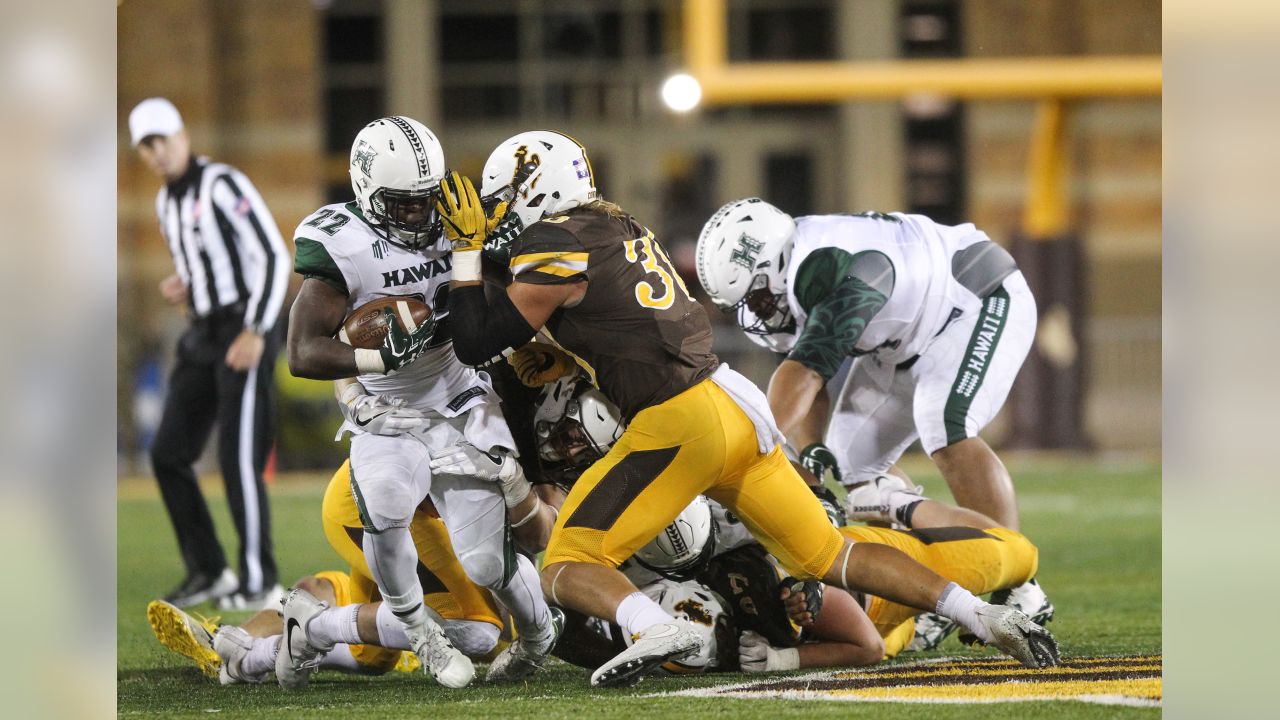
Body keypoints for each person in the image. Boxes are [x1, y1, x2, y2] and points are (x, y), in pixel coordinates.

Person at [433, 129, 1059, 688]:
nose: (501, 217)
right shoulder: (619, 227)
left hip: (679, 418)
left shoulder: (555, 244)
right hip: (736, 406)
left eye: (507, 200)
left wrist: (463, 254)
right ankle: (980, 611)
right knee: (828, 554)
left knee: (566, 564)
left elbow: (478, 338)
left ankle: (655, 626)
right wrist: (478, 256)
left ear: (538, 190)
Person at [695, 198, 1054, 648]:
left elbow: (805, 372)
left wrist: (746, 448)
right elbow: (811, 379)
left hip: (974, 297)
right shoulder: (793, 274)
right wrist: (809, 451)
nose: (757, 311)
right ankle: (940, 588)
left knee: (945, 423)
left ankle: (1017, 584)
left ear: (781, 263)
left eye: (760, 295)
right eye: (745, 302)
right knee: (853, 466)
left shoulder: (836, 268)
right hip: (900, 342)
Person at [284, 116, 557, 689]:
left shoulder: (458, 216)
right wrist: (377, 361)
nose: (418, 214)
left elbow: (527, 289)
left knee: (486, 560)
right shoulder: (341, 242)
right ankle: (420, 633)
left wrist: (486, 243)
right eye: (402, 204)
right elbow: (302, 352)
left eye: (424, 200)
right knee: (384, 511)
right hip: (388, 409)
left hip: (460, 394)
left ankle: (537, 640)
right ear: (366, 190)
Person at [129, 97, 287, 610]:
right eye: (145, 146)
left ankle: (260, 581)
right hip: (204, 334)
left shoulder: (222, 183)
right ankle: (209, 570)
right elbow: (206, 270)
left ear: (182, 137)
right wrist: (187, 289)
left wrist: (258, 329)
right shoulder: (164, 202)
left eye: (161, 140)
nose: (156, 153)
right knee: (167, 452)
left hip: (244, 327)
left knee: (240, 460)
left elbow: (271, 254)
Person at [145, 460, 505, 684]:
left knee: (371, 654)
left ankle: (253, 650)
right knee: (480, 630)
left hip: (403, 500)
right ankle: (245, 639)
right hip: (381, 500)